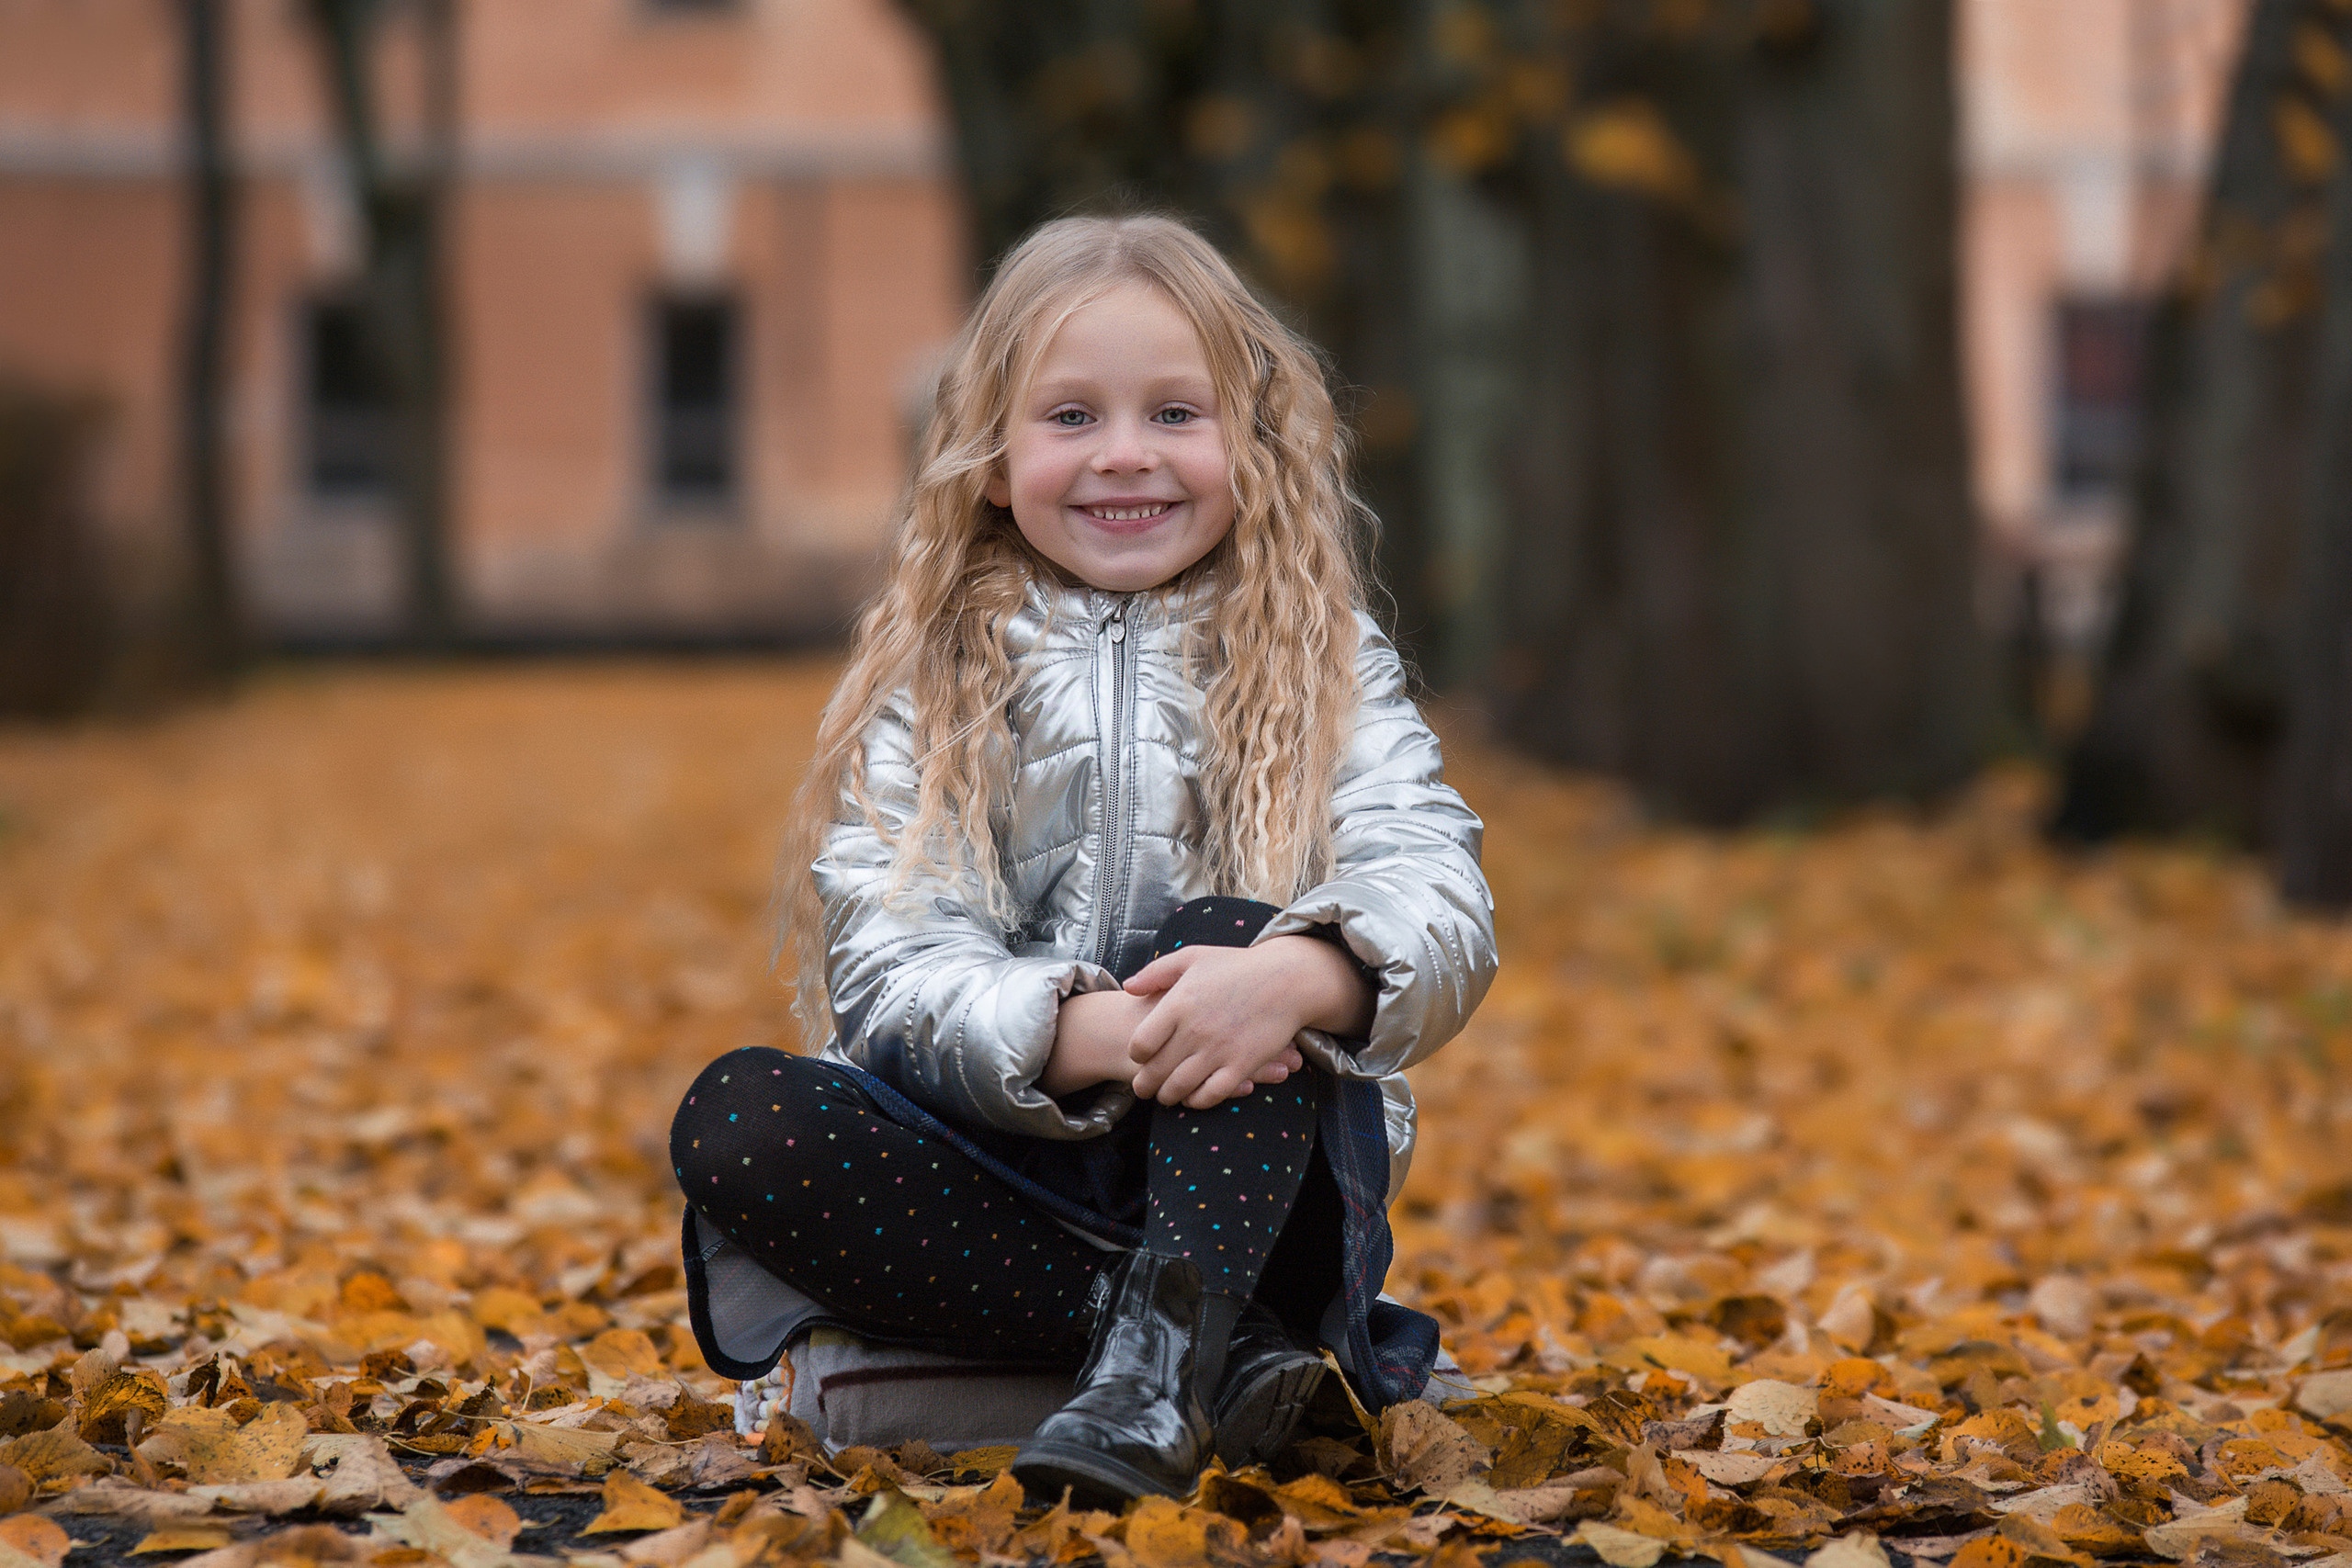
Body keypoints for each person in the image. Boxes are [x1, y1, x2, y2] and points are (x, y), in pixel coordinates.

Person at [670, 214, 1497, 1506]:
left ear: (1253, 446)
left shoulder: (1324, 657)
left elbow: (1436, 887)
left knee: (1235, 937)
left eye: (1177, 413)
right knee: (739, 1120)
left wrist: (1303, 976)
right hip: (1001, 1185)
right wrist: (1094, 1033)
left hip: (1259, 1177)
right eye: (1070, 417)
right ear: (994, 459)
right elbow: (891, 965)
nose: (1126, 455)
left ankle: (1192, 1342)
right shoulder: (934, 676)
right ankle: (1203, 1363)